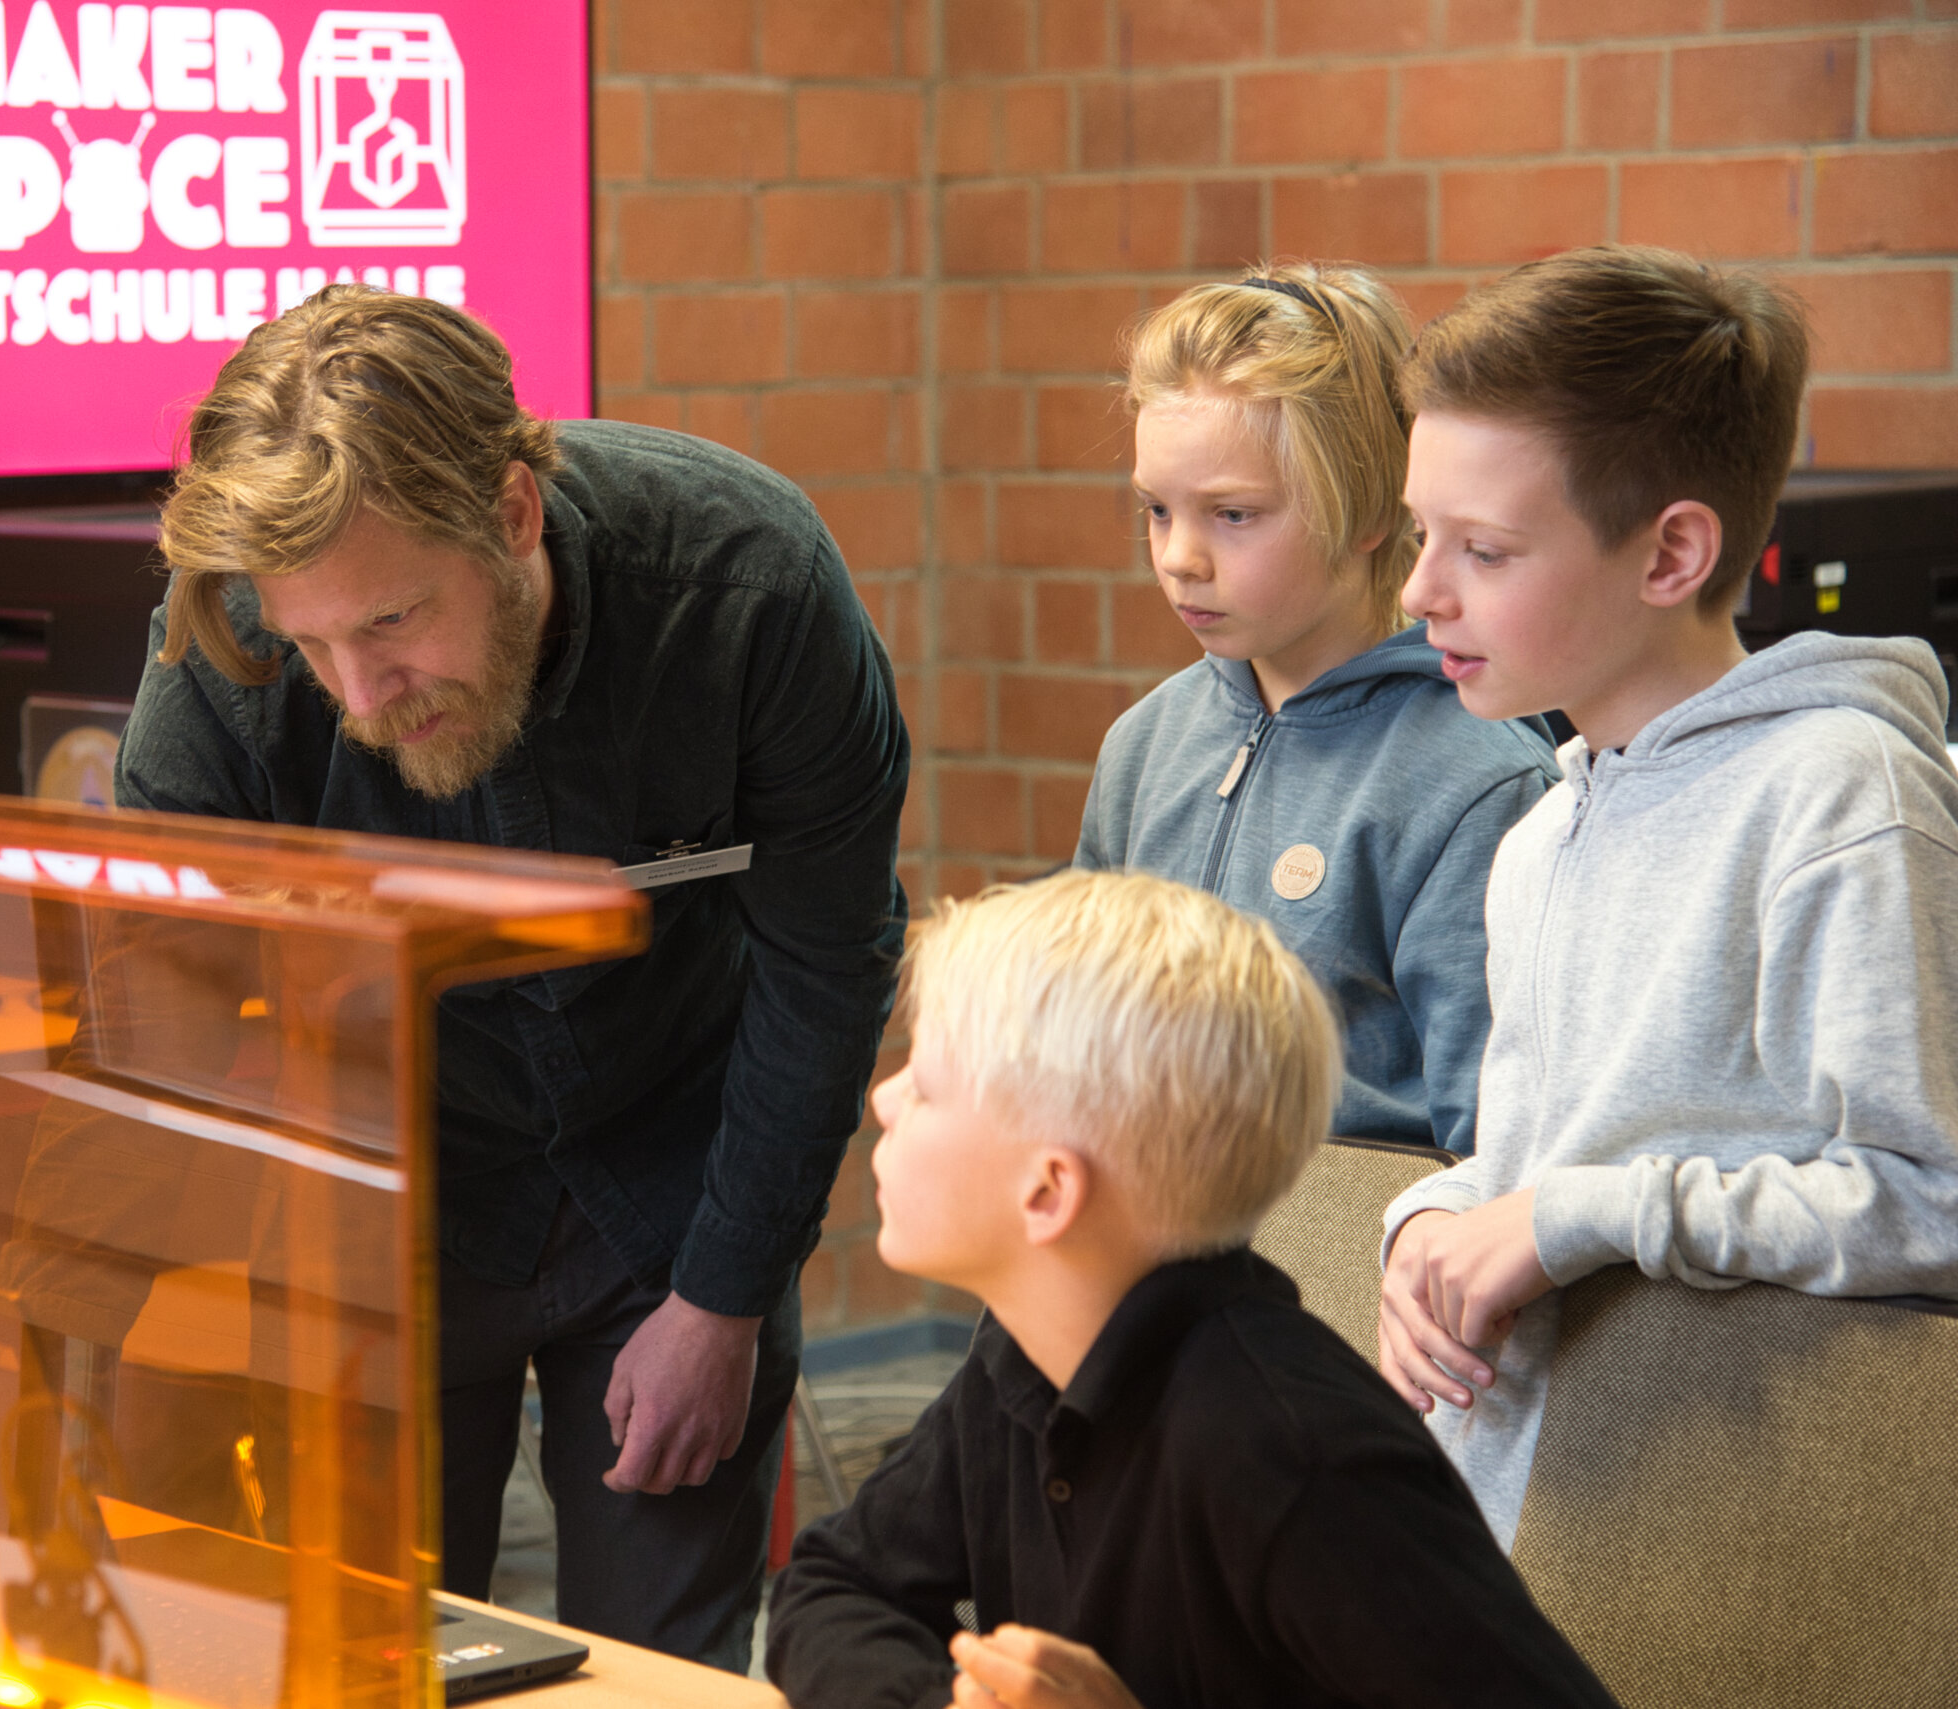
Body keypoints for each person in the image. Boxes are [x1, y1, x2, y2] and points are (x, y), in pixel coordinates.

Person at [114, 285, 909, 1667]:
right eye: (314, 646)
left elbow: (827, 965)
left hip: (674, 1187)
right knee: (359, 1664)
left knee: (655, 1675)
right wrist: (100, 1362)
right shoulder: (228, 647)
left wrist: (724, 1295)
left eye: (393, 621)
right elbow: (148, 1010)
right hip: (377, 1203)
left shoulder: (748, 589)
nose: (360, 694)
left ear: (515, 512)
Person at [1381, 244, 1958, 1550]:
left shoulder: (1839, 798)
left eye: (1484, 549)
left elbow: (1930, 1198)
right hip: (1519, 1523)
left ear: (1672, 552)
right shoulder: (1543, 831)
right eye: (1423, 535)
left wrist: (1583, 1215)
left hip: (1721, 1547)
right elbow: (1549, 1157)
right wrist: (1436, 1223)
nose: (1419, 591)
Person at [764, 870, 1617, 1709]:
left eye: (926, 1086)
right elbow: (833, 1583)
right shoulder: (1018, 1362)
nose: (885, 1097)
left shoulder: (1298, 1456)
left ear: (1048, 1192)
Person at [1076, 260, 1555, 1157]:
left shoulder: (1475, 784)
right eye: (1157, 509)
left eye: (1233, 514)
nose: (1179, 557)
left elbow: (1493, 1155)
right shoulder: (1145, 746)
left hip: (1350, 1241)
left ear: (1368, 509)